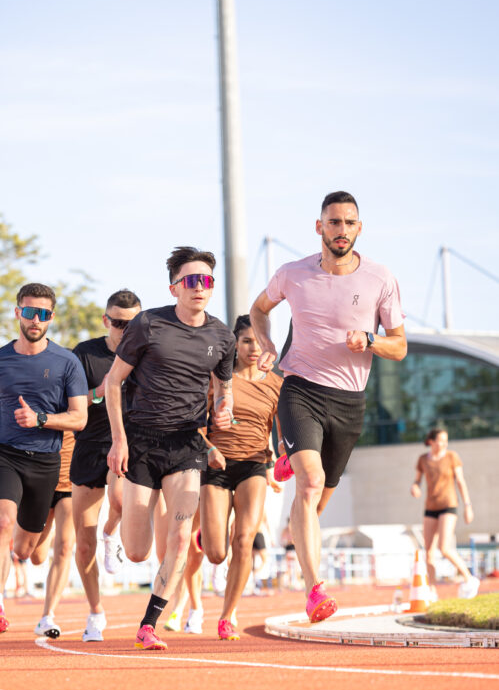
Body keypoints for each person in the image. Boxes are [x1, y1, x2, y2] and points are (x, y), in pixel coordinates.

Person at [250, 191, 407, 623]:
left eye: (349, 223)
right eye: (333, 222)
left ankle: (287, 461)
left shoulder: (380, 278)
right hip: (300, 387)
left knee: (315, 507)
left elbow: (400, 347)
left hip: (349, 402)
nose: (341, 230)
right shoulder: (292, 273)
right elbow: (259, 310)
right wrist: (265, 345)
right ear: (319, 227)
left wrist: (371, 340)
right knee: (311, 483)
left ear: (359, 228)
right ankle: (314, 592)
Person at [106, 246, 236, 651]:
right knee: (139, 549)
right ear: (174, 287)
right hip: (142, 441)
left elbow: (224, 388)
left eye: (207, 281)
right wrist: (119, 440)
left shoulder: (222, 336)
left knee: (180, 538)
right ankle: (117, 532)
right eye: (192, 280)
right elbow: (112, 384)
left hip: (186, 444)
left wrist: (224, 410)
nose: (201, 288)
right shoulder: (148, 324)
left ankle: (150, 624)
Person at [0, 283, 88, 635]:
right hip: (8, 456)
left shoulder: (67, 362)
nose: (36, 320)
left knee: (27, 548)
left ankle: (25, 546)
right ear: (17, 312)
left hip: (47, 462)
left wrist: (42, 420)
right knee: (2, 524)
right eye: (30, 312)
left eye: (43, 314)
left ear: (51, 318)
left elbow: (79, 418)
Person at [199, 314, 283, 639]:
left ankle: (227, 615)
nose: (253, 347)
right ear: (235, 343)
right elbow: (195, 423)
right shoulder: (217, 378)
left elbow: (273, 432)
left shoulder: (276, 384)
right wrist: (208, 449)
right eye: (247, 340)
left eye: (260, 341)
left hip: (254, 466)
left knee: (245, 540)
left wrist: (274, 466)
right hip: (217, 464)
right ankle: (208, 531)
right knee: (217, 553)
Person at [70, 289, 142, 642]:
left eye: (132, 324)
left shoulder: (146, 353)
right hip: (88, 446)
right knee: (82, 545)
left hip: (125, 444)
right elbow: (67, 402)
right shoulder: (85, 353)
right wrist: (98, 393)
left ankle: (111, 531)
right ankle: (96, 612)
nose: (125, 330)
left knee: (118, 500)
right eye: (117, 323)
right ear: (105, 321)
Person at [411, 428, 479, 599]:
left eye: (446, 440)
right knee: (428, 551)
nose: (444, 443)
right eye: (440, 440)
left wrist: (468, 506)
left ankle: (469, 579)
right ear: (431, 442)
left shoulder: (452, 457)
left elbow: (461, 482)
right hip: (430, 507)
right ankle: (432, 591)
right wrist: (415, 487)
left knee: (444, 547)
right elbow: (417, 480)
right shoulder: (422, 460)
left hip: (449, 505)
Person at [32, 429, 76, 637]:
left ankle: (47, 615)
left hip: (72, 479)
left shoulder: (84, 395)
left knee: (65, 547)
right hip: (41, 474)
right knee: (35, 556)